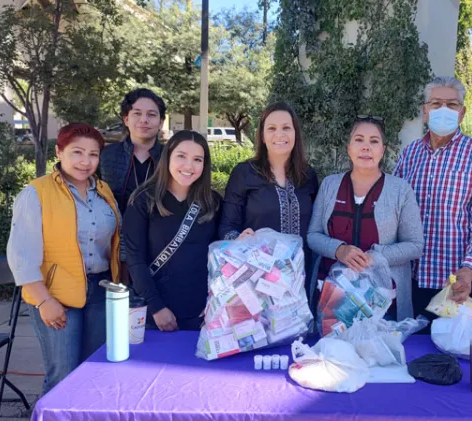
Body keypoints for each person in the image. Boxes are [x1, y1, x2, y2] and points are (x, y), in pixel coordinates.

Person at [7, 123, 120, 394]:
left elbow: (114, 245)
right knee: (64, 375)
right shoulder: (36, 193)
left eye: (93, 154)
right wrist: (44, 300)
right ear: (59, 151)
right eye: (77, 152)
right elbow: (21, 255)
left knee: (93, 371)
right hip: (56, 296)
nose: (85, 161)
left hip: (100, 292)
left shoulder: (104, 192)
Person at [393, 76, 472, 324]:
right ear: (425, 111)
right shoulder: (410, 154)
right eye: (436, 104)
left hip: (454, 285)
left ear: (462, 113)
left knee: (450, 354)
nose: (444, 110)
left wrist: (469, 268)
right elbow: (392, 209)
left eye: (452, 105)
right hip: (410, 277)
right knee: (412, 353)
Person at [308, 116, 424, 322]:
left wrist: (375, 257)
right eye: (359, 140)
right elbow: (313, 236)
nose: (366, 147)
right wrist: (339, 250)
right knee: (333, 353)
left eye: (374, 141)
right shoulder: (329, 185)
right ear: (349, 148)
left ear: (383, 149)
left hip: (384, 301)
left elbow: (415, 245)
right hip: (333, 298)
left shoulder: (400, 190)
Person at [219, 101, 319, 301]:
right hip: (258, 279)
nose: (279, 134)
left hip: (300, 278)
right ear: (262, 136)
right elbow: (227, 227)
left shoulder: (308, 176)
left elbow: (316, 227)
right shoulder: (244, 173)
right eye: (271, 128)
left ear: (295, 134)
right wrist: (238, 239)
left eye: (286, 128)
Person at [123, 131, 221, 332]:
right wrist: (157, 307)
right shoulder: (143, 200)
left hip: (203, 313)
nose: (189, 166)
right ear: (168, 157)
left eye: (197, 159)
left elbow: (222, 253)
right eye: (181, 156)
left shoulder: (213, 202)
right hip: (154, 314)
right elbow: (134, 258)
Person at [101, 88, 167, 213]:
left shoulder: (171, 157)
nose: (144, 120)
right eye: (137, 113)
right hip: (115, 230)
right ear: (126, 119)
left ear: (161, 123)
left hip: (158, 230)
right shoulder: (105, 155)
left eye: (151, 114)